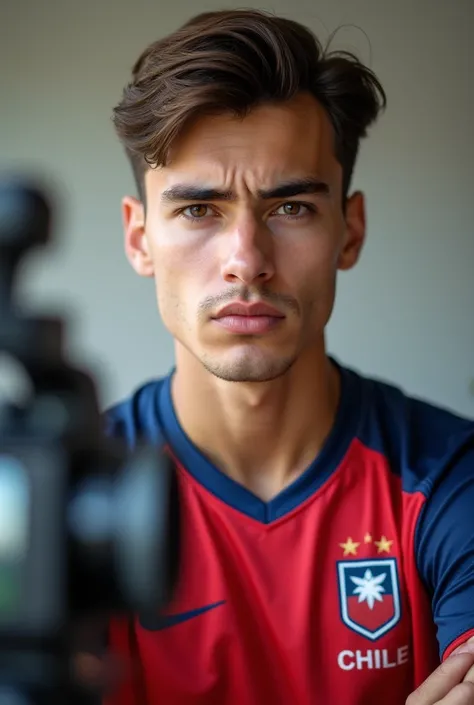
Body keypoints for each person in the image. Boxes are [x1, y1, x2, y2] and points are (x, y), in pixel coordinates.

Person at [97, 8, 474, 705]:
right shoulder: (74, 499)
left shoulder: (449, 480)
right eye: (198, 210)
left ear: (349, 230)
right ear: (140, 237)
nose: (247, 261)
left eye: (290, 207)